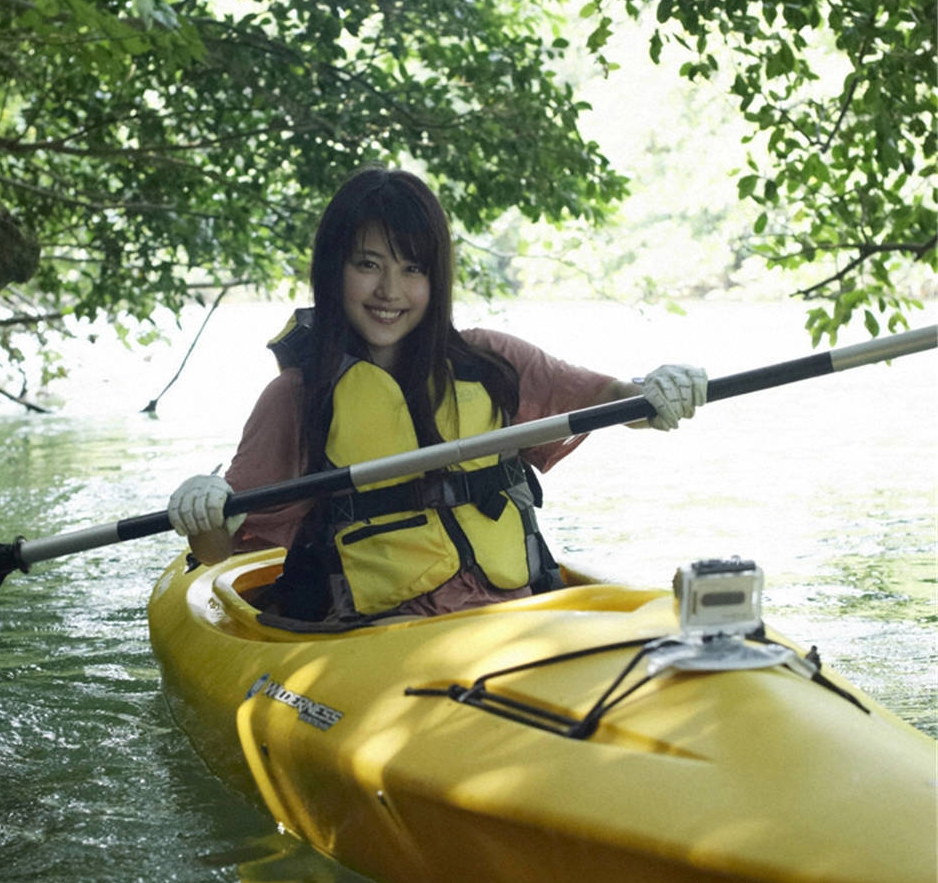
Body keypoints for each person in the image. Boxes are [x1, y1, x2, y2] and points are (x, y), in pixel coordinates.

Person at [167, 168, 706, 623]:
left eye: (413, 269)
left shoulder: (492, 361)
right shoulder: (297, 398)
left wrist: (655, 392)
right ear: (334, 269)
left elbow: (612, 399)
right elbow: (222, 556)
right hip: (383, 638)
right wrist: (205, 509)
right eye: (368, 264)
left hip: (516, 617)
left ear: (436, 277)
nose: (389, 291)